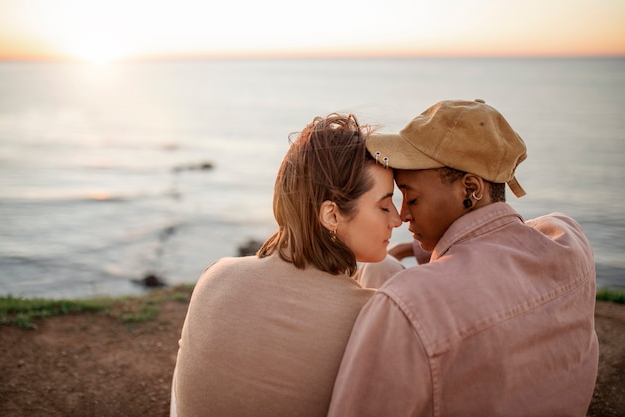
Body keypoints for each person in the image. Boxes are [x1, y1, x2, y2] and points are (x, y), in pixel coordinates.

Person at [328, 99, 599, 416]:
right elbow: (501, 236)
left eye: (412, 197)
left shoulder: (410, 303)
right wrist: (417, 248)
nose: (402, 215)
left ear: (471, 189)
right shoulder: (569, 240)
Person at [171, 113, 403, 417]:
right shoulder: (369, 318)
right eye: (384, 206)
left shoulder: (216, 275)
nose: (398, 219)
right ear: (332, 215)